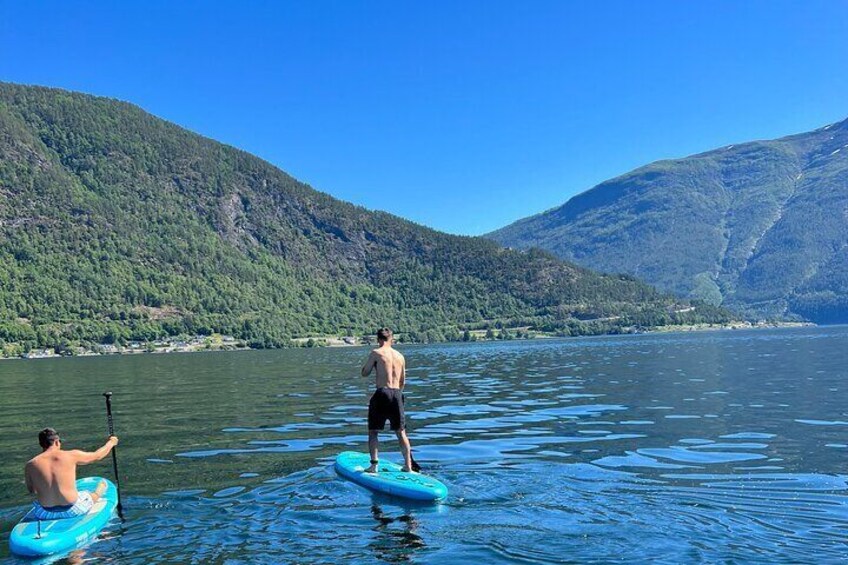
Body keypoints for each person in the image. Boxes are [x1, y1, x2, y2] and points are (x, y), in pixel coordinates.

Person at [24, 428, 119, 520]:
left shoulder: (30, 464)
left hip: (44, 513)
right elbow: (97, 456)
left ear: (41, 444)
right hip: (74, 510)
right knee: (87, 495)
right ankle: (97, 494)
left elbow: (32, 490)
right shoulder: (71, 455)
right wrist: (111, 443)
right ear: (56, 442)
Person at [361, 327, 414, 473]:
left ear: (378, 339)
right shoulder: (400, 356)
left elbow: (365, 373)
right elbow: (402, 381)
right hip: (397, 393)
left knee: (373, 431)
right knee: (401, 432)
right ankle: (408, 466)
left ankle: (374, 466)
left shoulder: (376, 353)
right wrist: (397, 396)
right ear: (392, 339)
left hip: (382, 393)